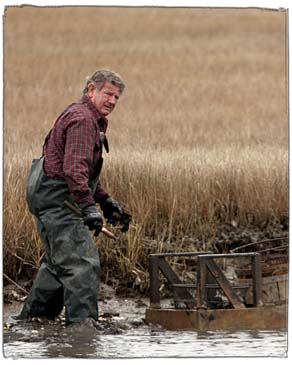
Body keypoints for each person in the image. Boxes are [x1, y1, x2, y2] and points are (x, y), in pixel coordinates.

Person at [17, 69, 131, 328]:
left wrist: (105, 201)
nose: (112, 101)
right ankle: (83, 329)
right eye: (108, 94)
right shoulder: (82, 120)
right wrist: (89, 208)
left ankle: (33, 321)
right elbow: (73, 170)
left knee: (58, 264)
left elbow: (82, 172)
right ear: (91, 90)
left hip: (52, 199)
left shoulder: (84, 116)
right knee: (82, 263)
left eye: (117, 97)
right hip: (59, 203)